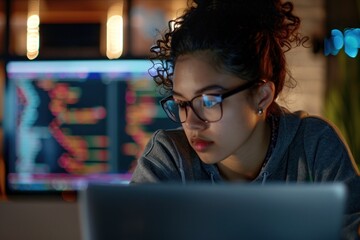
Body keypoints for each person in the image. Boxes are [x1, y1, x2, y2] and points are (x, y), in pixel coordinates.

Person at [130, 0, 360, 239]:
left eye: (209, 101)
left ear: (262, 97)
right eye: (181, 104)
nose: (191, 123)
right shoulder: (170, 159)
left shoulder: (314, 148)